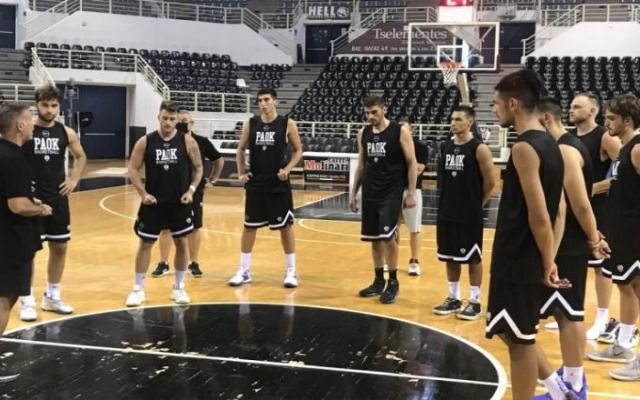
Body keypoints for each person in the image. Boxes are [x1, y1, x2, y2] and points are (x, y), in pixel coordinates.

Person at [484, 69, 566, 400]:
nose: (494, 109)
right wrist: (550, 256)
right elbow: (559, 211)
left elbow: (540, 215)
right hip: (529, 256)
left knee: (519, 341)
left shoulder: (523, 148)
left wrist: (547, 262)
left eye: (496, 104)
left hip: (518, 257)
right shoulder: (551, 143)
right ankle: (558, 390)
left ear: (514, 104)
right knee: (516, 332)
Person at [535, 97, 610, 399]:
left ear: (545, 120)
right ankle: (572, 380)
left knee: (569, 313)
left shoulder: (566, 150)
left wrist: (593, 238)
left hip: (567, 244)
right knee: (563, 312)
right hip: (565, 241)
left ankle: (575, 385)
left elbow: (580, 203)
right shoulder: (564, 146)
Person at [125, 101, 203, 306]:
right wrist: (142, 193)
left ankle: (179, 287)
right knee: (145, 244)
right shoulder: (145, 141)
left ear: (177, 120)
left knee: (182, 243)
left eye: (172, 119)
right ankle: (138, 289)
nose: (168, 122)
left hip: (179, 203)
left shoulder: (187, 141)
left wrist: (191, 190)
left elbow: (198, 168)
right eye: (165, 118)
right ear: (158, 118)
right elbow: (132, 168)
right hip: (153, 203)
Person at [20, 85, 87, 321]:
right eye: (45, 105)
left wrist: (73, 179)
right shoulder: (25, 130)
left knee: (60, 247)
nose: (49, 110)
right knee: (28, 251)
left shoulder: (66, 132)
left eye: (54, 105)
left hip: (58, 199)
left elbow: (81, 156)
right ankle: (26, 298)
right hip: (31, 199)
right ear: (36, 105)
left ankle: (52, 295)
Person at [587, 93, 640, 382]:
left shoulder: (638, 148)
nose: (606, 122)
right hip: (622, 232)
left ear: (627, 120)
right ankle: (622, 345)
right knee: (627, 286)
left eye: (611, 118)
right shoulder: (624, 148)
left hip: (635, 235)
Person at [228, 88, 303, 288]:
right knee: (249, 226)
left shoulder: (287, 123)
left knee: (285, 227)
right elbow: (240, 148)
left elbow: (298, 150)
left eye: (267, 99)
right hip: (256, 181)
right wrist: (241, 172)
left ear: (275, 102)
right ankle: (244, 270)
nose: (263, 103)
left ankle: (291, 270)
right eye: (260, 100)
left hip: (278, 183)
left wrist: (287, 169)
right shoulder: (251, 123)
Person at [0, 102, 52, 381]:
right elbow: (18, 205)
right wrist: (40, 208)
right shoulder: (15, 159)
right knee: (4, 299)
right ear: (19, 126)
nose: (34, 124)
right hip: (9, 242)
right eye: (30, 119)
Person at [349, 95, 417, 304]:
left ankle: (393, 282)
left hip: (391, 191)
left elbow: (412, 162)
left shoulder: (399, 131)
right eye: (367, 113)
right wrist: (353, 193)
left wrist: (411, 192)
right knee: (374, 238)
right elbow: (362, 165)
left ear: (384, 109)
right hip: (370, 191)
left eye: (374, 112)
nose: (370, 116)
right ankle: (378, 280)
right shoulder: (364, 133)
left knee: (388, 236)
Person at [433, 105, 495, 320]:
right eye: (452, 119)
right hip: (446, 211)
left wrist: (476, 205)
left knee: (473, 258)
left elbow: (491, 182)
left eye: (458, 119)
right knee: (450, 257)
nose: (453, 123)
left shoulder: (479, 148)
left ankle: (475, 301)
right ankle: (453, 298)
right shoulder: (446, 146)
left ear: (470, 122)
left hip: (469, 215)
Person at [569, 92, 622, 340]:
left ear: (592, 111)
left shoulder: (604, 137)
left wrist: (593, 188)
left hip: (599, 209)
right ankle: (570, 312)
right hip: (573, 209)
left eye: (577, 106)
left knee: (601, 266)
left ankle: (602, 318)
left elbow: (625, 172)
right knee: (573, 260)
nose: (571, 109)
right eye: (571, 106)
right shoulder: (569, 138)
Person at [152, 110, 224, 278]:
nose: (183, 124)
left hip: (194, 191)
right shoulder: (167, 142)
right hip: (170, 190)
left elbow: (218, 160)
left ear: (192, 123)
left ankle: (194, 262)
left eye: (186, 121)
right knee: (165, 227)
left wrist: (212, 180)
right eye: (180, 121)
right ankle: (163, 263)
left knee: (195, 227)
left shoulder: (201, 142)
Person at [397, 118, 429, 276]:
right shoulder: (392, 147)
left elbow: (417, 169)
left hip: (412, 190)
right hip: (393, 191)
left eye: (405, 129)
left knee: (415, 228)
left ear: (411, 130)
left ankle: (414, 261)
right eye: (400, 129)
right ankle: (391, 260)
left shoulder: (421, 147)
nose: (402, 132)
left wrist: (408, 157)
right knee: (392, 228)